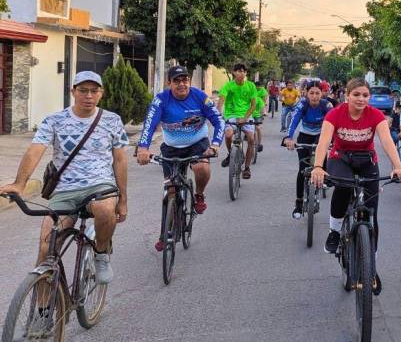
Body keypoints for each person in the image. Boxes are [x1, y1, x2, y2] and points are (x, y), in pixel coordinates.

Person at [0, 71, 128, 285]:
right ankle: (42, 312)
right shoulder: (54, 121)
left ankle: (101, 253)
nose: (88, 95)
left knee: (105, 210)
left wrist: (123, 199)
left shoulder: (112, 121)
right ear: (73, 92)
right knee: (45, 248)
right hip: (65, 190)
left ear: (101, 93)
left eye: (94, 91)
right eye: (83, 90)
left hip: (100, 184)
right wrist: (19, 184)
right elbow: (35, 151)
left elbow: (120, 161)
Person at [310, 78, 401, 295]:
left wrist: (398, 166)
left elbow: (386, 141)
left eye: (365, 95)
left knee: (372, 214)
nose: (361, 99)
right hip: (340, 158)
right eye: (356, 95)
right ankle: (335, 232)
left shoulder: (375, 115)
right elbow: (324, 141)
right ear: (347, 96)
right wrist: (318, 166)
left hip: (367, 160)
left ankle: (370, 268)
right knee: (343, 188)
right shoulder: (335, 114)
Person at [136, 65, 224, 252]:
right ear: (169, 83)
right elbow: (150, 124)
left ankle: (199, 195)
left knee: (201, 168)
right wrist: (143, 148)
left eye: (185, 80)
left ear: (189, 82)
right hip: (171, 147)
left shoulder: (200, 97)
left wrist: (215, 144)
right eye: (177, 81)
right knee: (170, 191)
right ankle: (165, 233)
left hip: (197, 142)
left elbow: (219, 121)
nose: (181, 84)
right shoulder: (161, 100)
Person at [284, 81, 334, 218]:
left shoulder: (326, 105)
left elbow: (334, 122)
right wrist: (288, 137)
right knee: (302, 169)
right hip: (304, 137)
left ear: (322, 94)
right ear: (306, 93)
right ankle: (299, 203)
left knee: (323, 154)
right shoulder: (302, 104)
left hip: (321, 136)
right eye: (311, 93)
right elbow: (294, 120)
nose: (314, 96)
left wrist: (334, 141)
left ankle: (324, 174)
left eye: (317, 93)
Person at [217, 63, 258, 179]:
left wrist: (245, 118)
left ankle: (247, 168)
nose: (242, 73)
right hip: (231, 115)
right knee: (228, 135)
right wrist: (218, 114)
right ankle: (231, 154)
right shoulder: (228, 86)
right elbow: (221, 101)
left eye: (244, 71)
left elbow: (253, 105)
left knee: (250, 138)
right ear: (234, 72)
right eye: (239, 71)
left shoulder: (251, 86)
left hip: (246, 116)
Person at [253, 79, 268, 152]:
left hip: (258, 115)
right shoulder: (246, 99)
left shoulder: (259, 99)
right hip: (248, 116)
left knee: (258, 128)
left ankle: (259, 144)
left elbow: (263, 105)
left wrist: (264, 112)